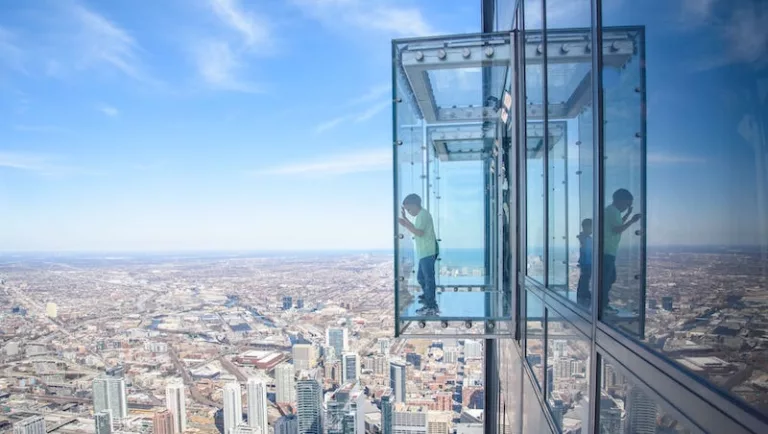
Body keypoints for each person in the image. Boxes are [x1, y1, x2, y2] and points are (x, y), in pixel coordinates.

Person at [398, 194, 439, 316]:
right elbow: (416, 228)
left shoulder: (423, 215)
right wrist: (405, 219)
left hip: (428, 251)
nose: (409, 212)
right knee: (421, 278)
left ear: (415, 205)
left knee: (428, 279)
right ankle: (428, 296)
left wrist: (405, 224)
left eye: (409, 209)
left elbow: (419, 232)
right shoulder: (422, 215)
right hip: (426, 251)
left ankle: (431, 306)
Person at [602, 188, 641, 312]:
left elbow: (617, 224)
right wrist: (631, 221)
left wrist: (628, 214)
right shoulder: (613, 211)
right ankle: (603, 305)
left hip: (607, 250)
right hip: (607, 251)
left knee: (610, 278)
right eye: (627, 203)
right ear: (621, 200)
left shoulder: (611, 211)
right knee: (607, 280)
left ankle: (603, 304)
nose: (627, 206)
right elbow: (617, 229)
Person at [576, 218, 593, 308]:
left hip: (587, 262)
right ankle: (583, 293)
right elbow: (586, 250)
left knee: (585, 278)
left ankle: (583, 293)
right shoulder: (585, 238)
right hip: (587, 262)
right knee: (585, 278)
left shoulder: (586, 238)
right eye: (591, 227)